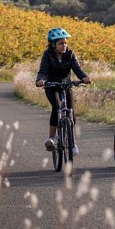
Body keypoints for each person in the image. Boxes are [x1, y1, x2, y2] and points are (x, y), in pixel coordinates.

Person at [35, 27, 92, 155]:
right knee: (57, 107)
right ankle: (52, 138)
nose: (64, 45)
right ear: (54, 44)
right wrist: (40, 80)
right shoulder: (48, 55)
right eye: (61, 43)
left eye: (65, 42)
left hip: (66, 85)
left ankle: (72, 142)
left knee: (71, 112)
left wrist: (84, 78)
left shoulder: (70, 54)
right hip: (52, 86)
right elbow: (43, 71)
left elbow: (77, 69)